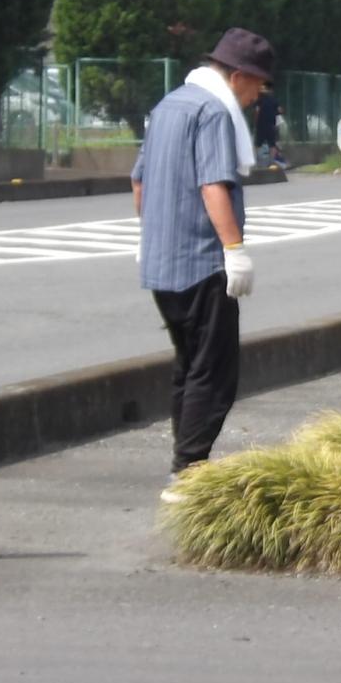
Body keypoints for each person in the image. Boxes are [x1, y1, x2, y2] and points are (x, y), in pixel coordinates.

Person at [136, 27, 275, 498]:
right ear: (237, 77)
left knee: (190, 366)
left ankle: (184, 464)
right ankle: (187, 471)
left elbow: (139, 181)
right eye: (256, 86)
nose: (256, 98)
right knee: (214, 372)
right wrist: (234, 250)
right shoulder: (214, 112)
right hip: (202, 259)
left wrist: (150, 232)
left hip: (162, 261)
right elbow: (213, 185)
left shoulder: (168, 105)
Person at [252, 82, 284, 168]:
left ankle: (254, 162)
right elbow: (280, 110)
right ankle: (272, 162)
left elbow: (257, 111)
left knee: (257, 144)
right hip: (271, 125)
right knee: (272, 144)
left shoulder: (260, 99)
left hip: (261, 125)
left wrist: (256, 121)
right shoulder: (274, 100)